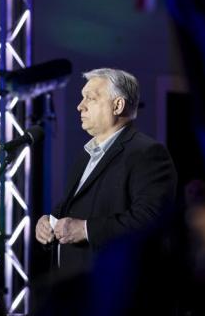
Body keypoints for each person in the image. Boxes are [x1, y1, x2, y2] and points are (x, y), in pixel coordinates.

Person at [35, 68, 177, 275]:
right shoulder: (86, 155)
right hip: (72, 284)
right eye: (82, 97)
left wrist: (85, 230)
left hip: (112, 286)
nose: (80, 106)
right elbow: (72, 210)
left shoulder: (147, 153)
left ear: (117, 105)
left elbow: (150, 219)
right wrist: (48, 222)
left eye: (90, 98)